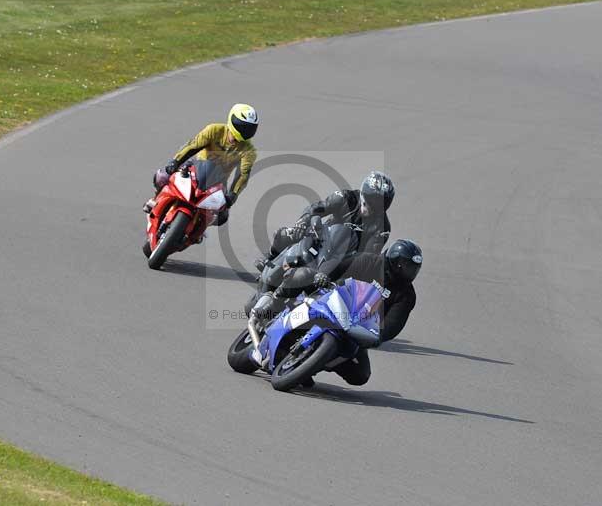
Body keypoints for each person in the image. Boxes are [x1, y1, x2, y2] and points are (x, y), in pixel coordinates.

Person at [251, 239, 421, 387]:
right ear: (394, 261)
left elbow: (394, 322)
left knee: (360, 375)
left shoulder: (406, 295)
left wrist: (378, 336)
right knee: (303, 274)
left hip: (356, 327)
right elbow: (339, 265)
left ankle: (308, 365)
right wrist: (324, 275)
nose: (409, 272)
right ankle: (272, 305)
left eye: (414, 269)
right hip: (333, 300)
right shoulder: (369, 261)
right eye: (406, 266)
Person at [143, 103, 258, 225]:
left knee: (222, 216)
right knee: (162, 176)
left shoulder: (249, 151)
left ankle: (198, 228)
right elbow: (193, 145)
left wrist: (233, 195)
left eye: (249, 128)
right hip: (196, 168)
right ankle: (155, 200)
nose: (245, 131)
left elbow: (242, 176)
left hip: (218, 183)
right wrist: (176, 161)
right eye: (242, 126)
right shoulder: (214, 130)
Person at [255, 171, 394, 270]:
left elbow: (367, 256)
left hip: (343, 258)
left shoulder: (383, 228)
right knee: (285, 234)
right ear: (365, 194)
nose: (376, 205)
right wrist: (303, 222)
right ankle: (270, 259)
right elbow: (317, 208)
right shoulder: (346, 198)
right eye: (374, 200)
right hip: (321, 238)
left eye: (382, 202)